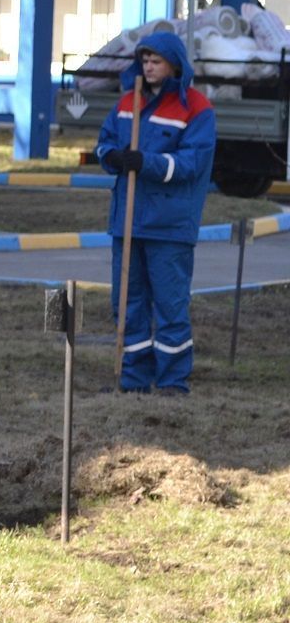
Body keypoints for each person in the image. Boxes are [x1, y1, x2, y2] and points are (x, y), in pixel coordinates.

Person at [96, 30, 216, 394]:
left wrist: (145, 162)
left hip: (169, 226)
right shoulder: (125, 103)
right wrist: (112, 157)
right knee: (128, 304)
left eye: (156, 61)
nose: (148, 67)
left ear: (173, 64)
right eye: (144, 60)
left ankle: (172, 382)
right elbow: (104, 142)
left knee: (169, 306)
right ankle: (133, 378)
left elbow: (192, 163)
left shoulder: (195, 108)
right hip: (128, 222)